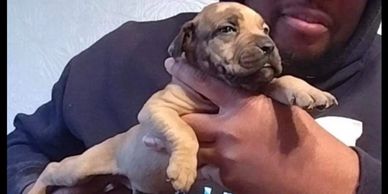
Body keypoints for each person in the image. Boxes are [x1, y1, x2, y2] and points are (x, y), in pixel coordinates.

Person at [7, 0, 381, 193]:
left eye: (262, 32)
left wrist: (354, 183)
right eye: (229, 30)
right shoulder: (120, 54)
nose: (263, 43)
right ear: (189, 42)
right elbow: (22, 146)